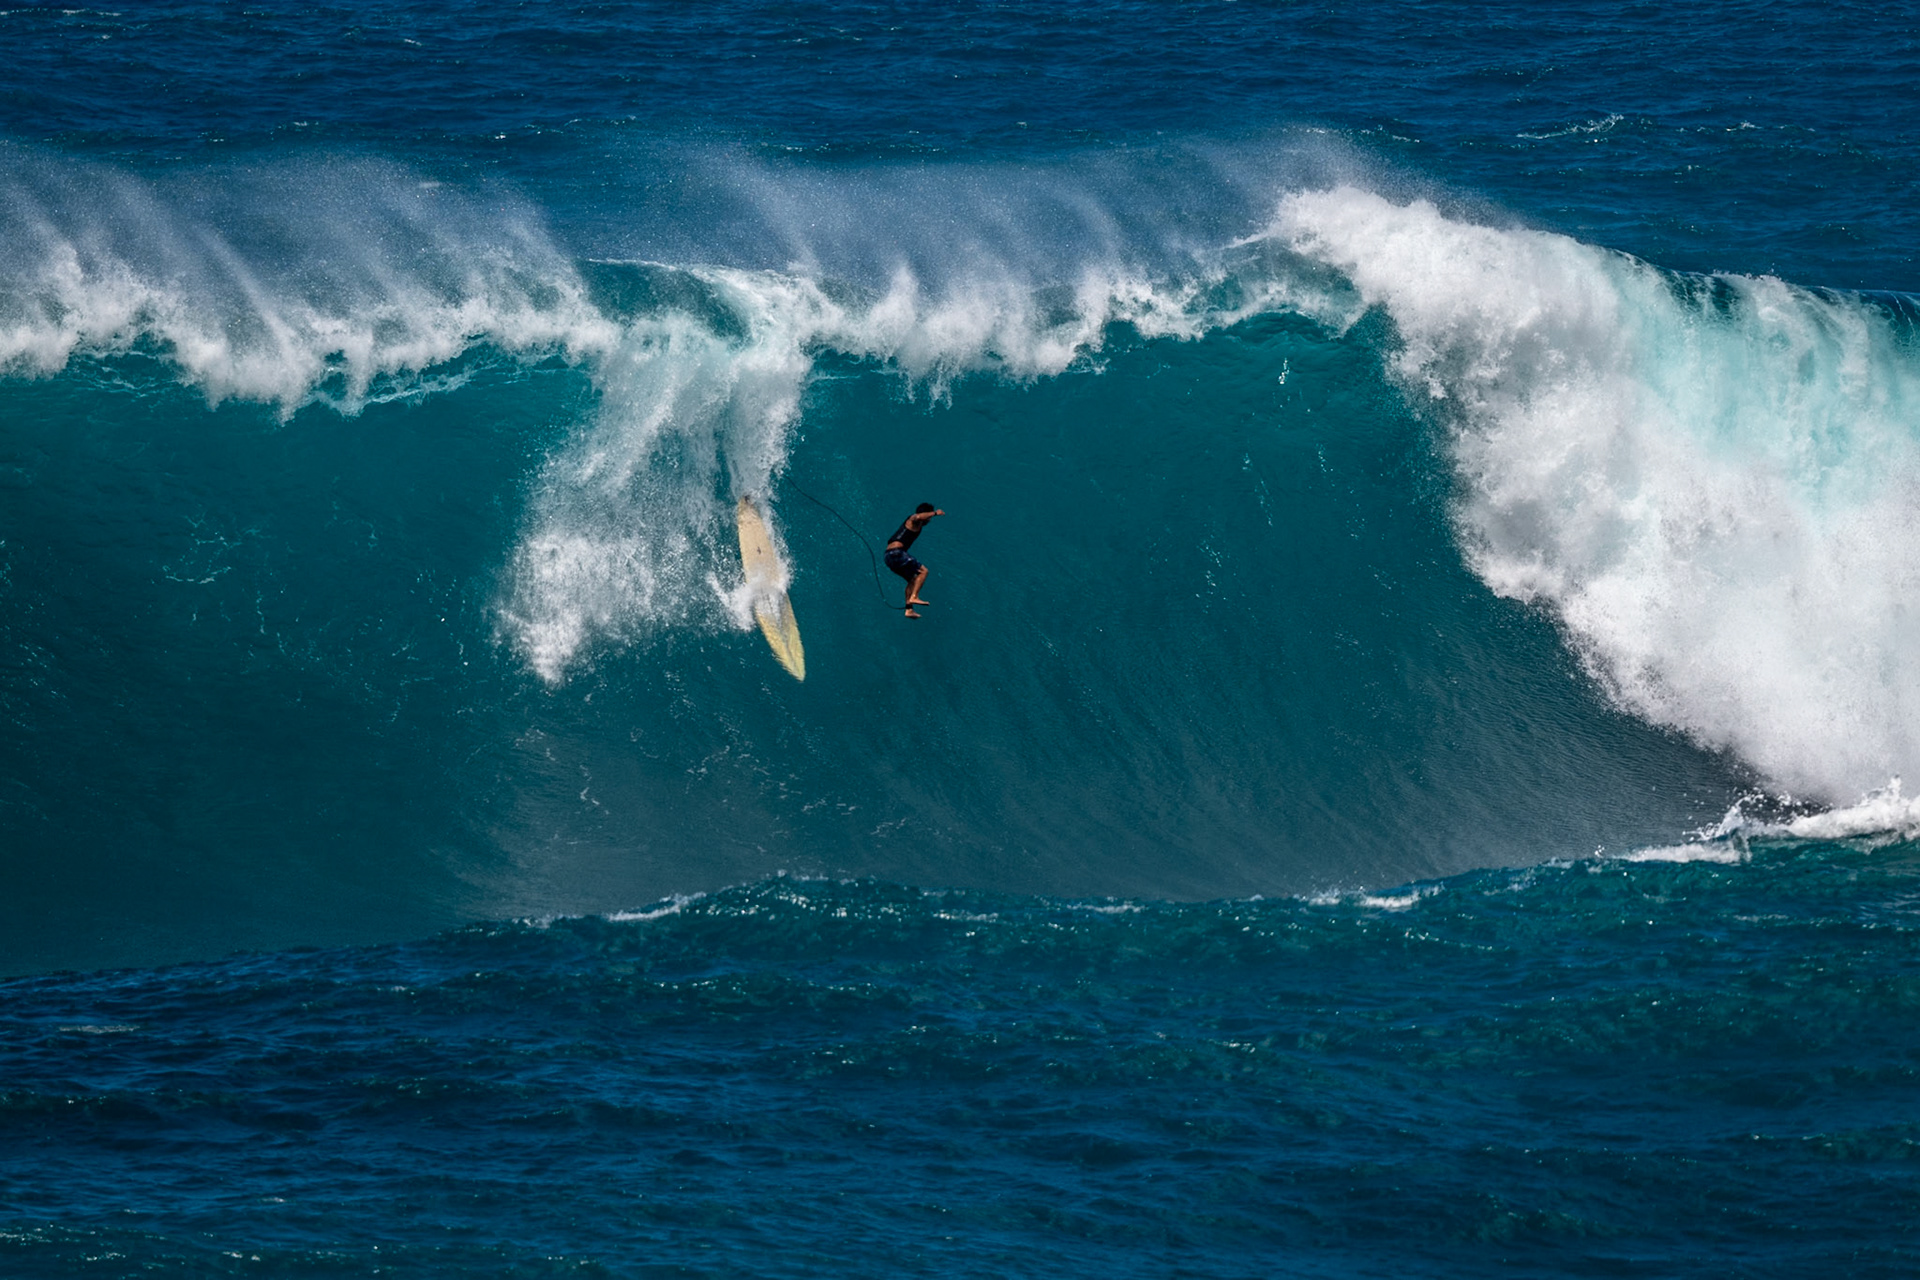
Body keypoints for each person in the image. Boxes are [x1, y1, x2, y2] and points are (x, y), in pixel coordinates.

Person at [884, 502, 944, 618]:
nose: (929, 520)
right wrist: (936, 513)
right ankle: (914, 597)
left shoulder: (918, 526)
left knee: (913, 580)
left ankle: (909, 609)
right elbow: (917, 516)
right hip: (896, 553)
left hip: (889, 557)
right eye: (929, 517)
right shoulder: (913, 519)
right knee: (924, 571)